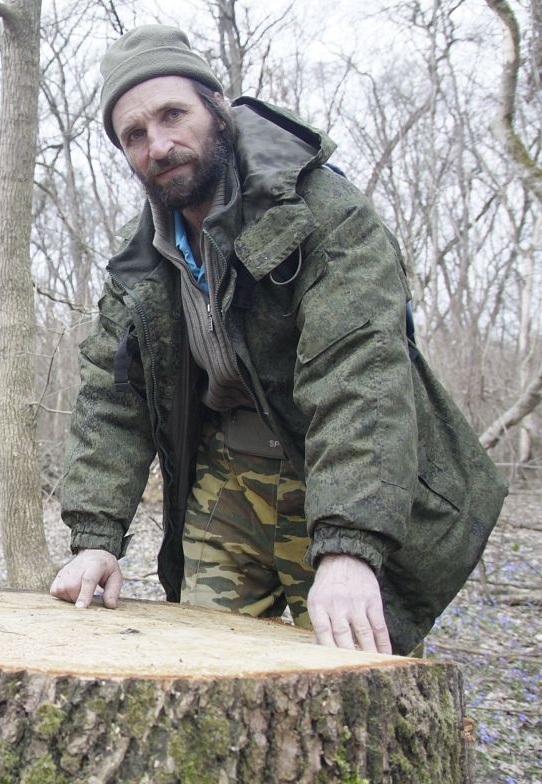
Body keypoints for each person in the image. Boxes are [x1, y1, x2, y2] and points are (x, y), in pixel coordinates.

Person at [49, 24, 507, 656]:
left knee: (345, 683)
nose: (159, 144)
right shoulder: (141, 261)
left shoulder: (321, 211)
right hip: (223, 478)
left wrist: (349, 545)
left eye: (173, 115)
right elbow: (112, 395)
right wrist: (96, 536)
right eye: (134, 135)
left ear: (216, 109)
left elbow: (361, 374)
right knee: (203, 673)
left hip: (323, 466)